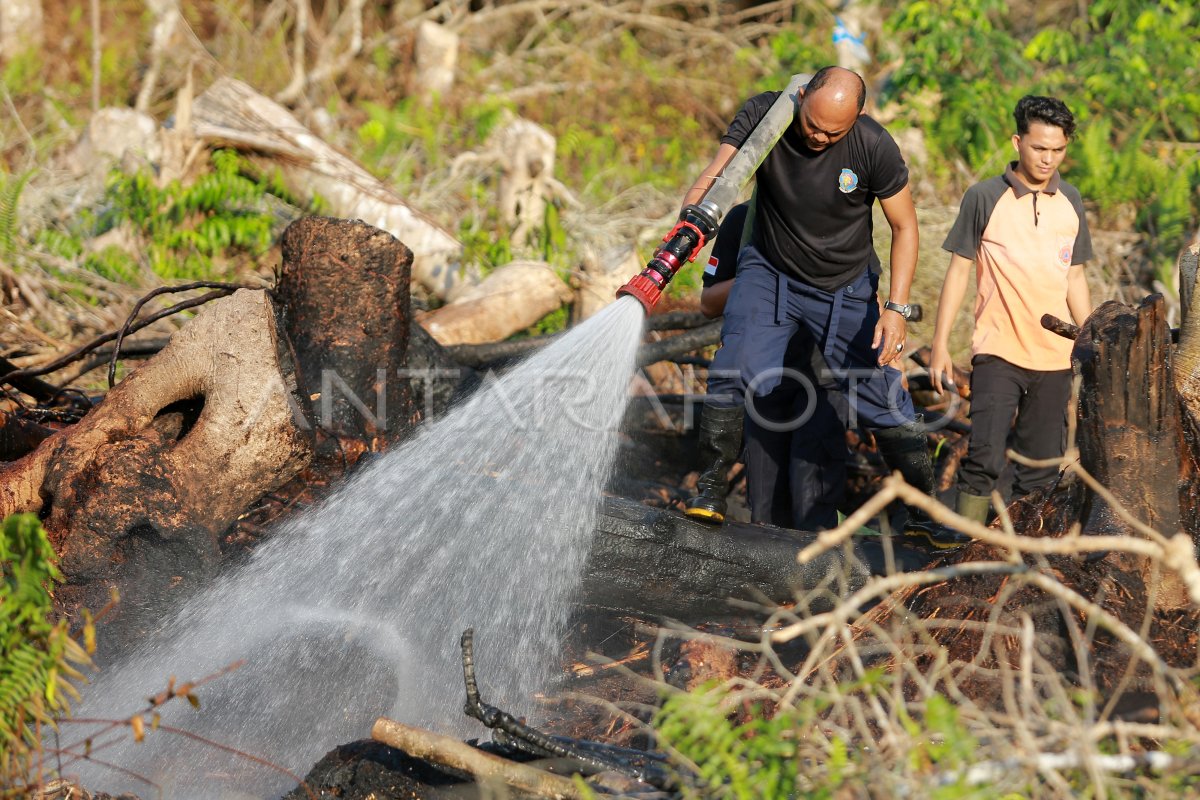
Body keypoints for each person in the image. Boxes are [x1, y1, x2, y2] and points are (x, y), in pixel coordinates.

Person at [683, 66, 954, 544]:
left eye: (835, 131)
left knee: (884, 397)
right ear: (801, 96)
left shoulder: (873, 146)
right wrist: (689, 224)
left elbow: (906, 227)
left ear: (858, 117)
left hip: (846, 287)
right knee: (733, 367)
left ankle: (924, 513)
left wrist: (896, 307)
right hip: (770, 272)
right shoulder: (766, 115)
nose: (820, 137)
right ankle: (709, 489)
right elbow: (719, 174)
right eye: (812, 124)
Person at [928, 95, 1093, 523]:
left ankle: (1023, 565)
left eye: (1058, 150)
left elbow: (1075, 278)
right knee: (982, 459)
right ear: (1017, 142)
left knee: (1040, 470)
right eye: (1040, 148)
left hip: (1054, 359)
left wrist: (1089, 341)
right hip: (998, 351)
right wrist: (941, 345)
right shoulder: (984, 197)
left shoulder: (1071, 201)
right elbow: (959, 272)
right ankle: (961, 550)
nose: (1048, 158)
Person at [689, 200, 850, 530]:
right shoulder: (743, 218)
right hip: (761, 381)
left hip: (823, 377)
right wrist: (762, 277)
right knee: (765, 510)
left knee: (813, 502)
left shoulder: (834, 210)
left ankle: (819, 579)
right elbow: (708, 302)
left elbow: (862, 287)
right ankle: (770, 582)